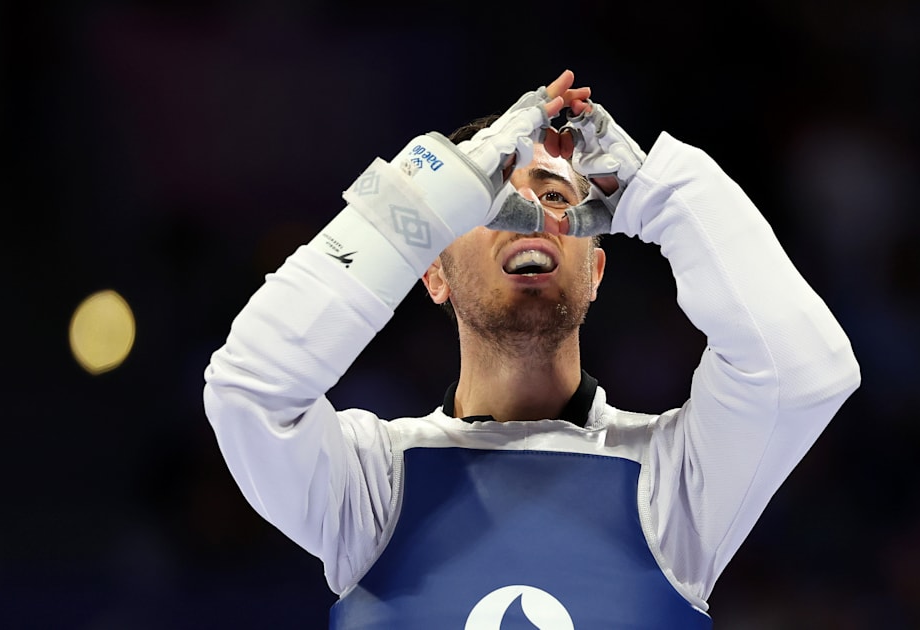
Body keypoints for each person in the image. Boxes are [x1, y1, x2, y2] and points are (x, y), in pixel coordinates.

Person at [203, 69, 860, 629]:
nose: (533, 218)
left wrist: (661, 194)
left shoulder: (676, 481)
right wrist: (421, 196)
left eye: (555, 198)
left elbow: (804, 370)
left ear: (596, 274)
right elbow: (250, 390)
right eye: (491, 205)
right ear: (431, 272)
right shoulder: (369, 481)